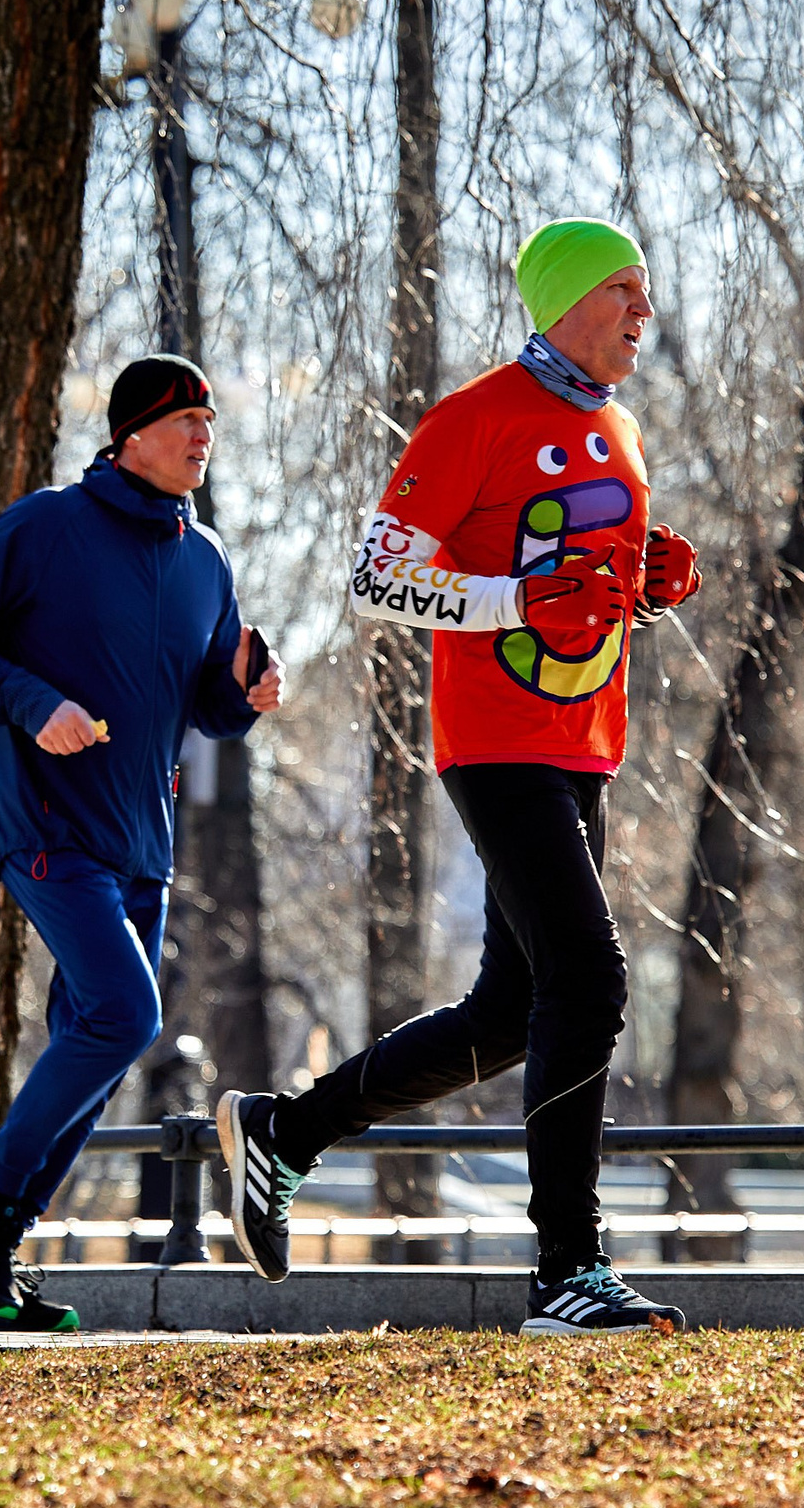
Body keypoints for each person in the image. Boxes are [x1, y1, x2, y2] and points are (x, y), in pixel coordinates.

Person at [216, 219, 704, 1335]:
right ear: (565, 300)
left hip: (585, 742)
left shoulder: (619, 429)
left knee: (512, 1012)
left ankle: (285, 1133)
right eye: (624, 289)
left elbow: (578, 582)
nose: (644, 310)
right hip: (496, 740)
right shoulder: (474, 417)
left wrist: (646, 584)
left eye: (645, 291)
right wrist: (516, 601)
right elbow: (377, 577)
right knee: (590, 980)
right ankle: (567, 1269)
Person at [0, 354, 284, 1332]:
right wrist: (33, 703)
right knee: (124, 1014)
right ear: (130, 436)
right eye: (184, 419)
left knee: (104, 1041)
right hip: (47, 824)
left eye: (209, 419)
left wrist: (246, 694)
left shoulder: (206, 559)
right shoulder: (47, 525)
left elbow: (207, 707)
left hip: (141, 846)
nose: (203, 435)